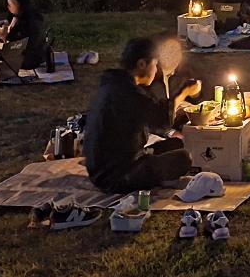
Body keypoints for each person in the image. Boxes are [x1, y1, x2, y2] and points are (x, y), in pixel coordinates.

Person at [83, 38, 193, 192]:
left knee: (177, 143)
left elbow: (148, 115)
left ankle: (155, 173)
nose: (156, 70)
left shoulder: (116, 83)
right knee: (183, 158)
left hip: (118, 162)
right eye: (155, 65)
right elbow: (162, 120)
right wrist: (184, 93)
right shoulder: (126, 92)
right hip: (115, 176)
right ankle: (157, 179)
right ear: (142, 64)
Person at [0, 0, 47, 70]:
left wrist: (5, 37)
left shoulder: (30, 21)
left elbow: (24, 43)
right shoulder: (19, 16)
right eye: (8, 4)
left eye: (11, 4)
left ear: (21, 4)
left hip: (31, 58)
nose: (9, 7)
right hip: (32, 53)